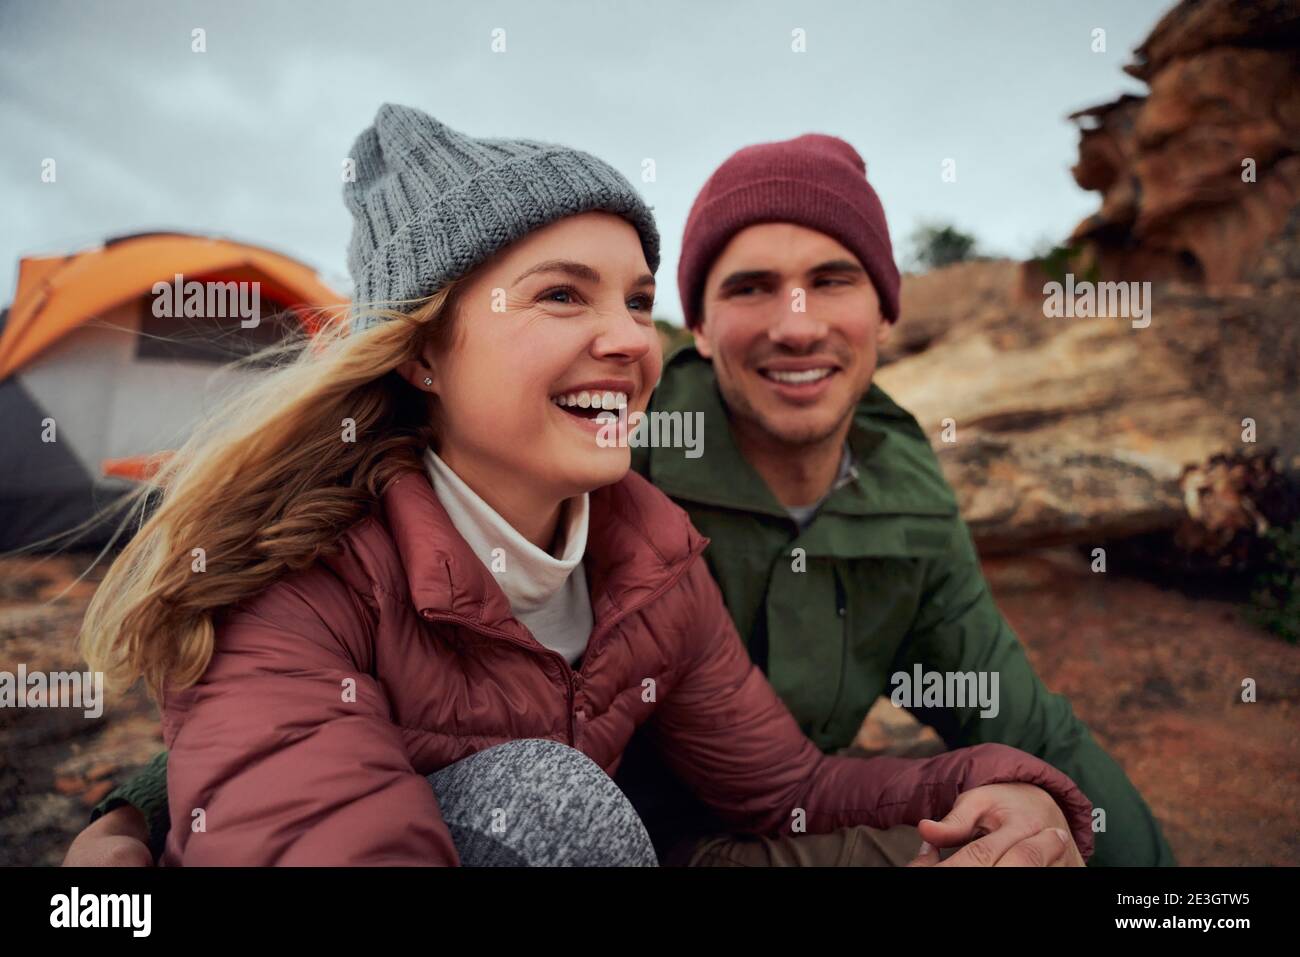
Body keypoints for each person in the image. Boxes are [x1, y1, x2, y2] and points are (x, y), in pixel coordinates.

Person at [66, 104, 1093, 867]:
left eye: (637, 300)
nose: (627, 340)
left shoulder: (644, 554)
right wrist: (129, 814)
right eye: (561, 295)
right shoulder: (304, 576)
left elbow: (786, 788)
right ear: (420, 355)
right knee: (547, 800)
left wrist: (994, 785)